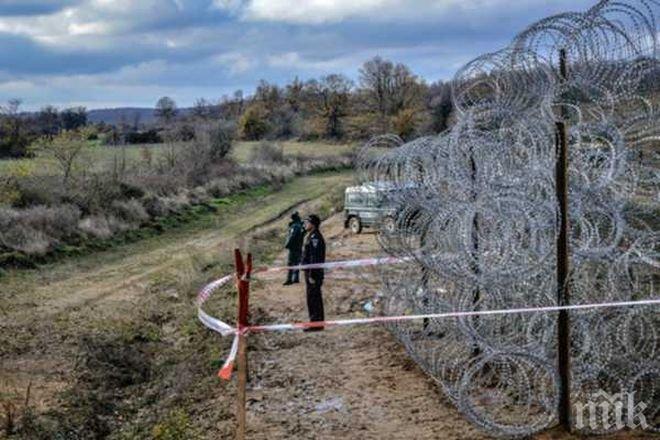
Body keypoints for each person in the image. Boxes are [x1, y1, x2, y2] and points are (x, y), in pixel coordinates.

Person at [301, 214, 325, 330]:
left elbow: (314, 258)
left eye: (307, 222)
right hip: (310, 271)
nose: (305, 224)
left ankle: (316, 324)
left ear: (313, 224)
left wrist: (311, 274)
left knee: (314, 298)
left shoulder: (315, 237)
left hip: (313, 272)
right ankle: (315, 322)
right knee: (311, 298)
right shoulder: (310, 236)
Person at [283, 212, 304, 285]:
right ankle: (296, 278)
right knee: (297, 262)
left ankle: (289, 279)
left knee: (290, 263)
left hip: (293, 247)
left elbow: (292, 236)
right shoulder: (301, 226)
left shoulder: (295, 226)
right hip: (299, 246)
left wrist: (287, 245)